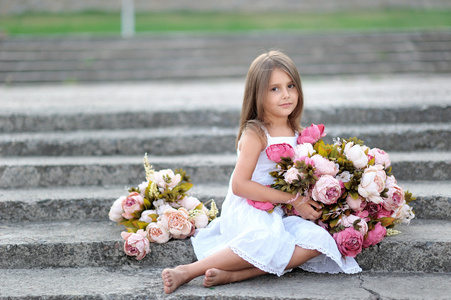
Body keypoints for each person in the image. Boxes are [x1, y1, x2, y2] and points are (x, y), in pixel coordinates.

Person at [162, 50, 361, 294]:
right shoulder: (256, 133)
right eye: (274, 89)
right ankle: (189, 270)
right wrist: (294, 200)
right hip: (250, 208)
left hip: (283, 211)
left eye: (290, 86)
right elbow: (240, 185)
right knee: (265, 239)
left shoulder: (298, 133)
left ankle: (236, 275)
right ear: (257, 94)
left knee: (320, 240)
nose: (286, 95)